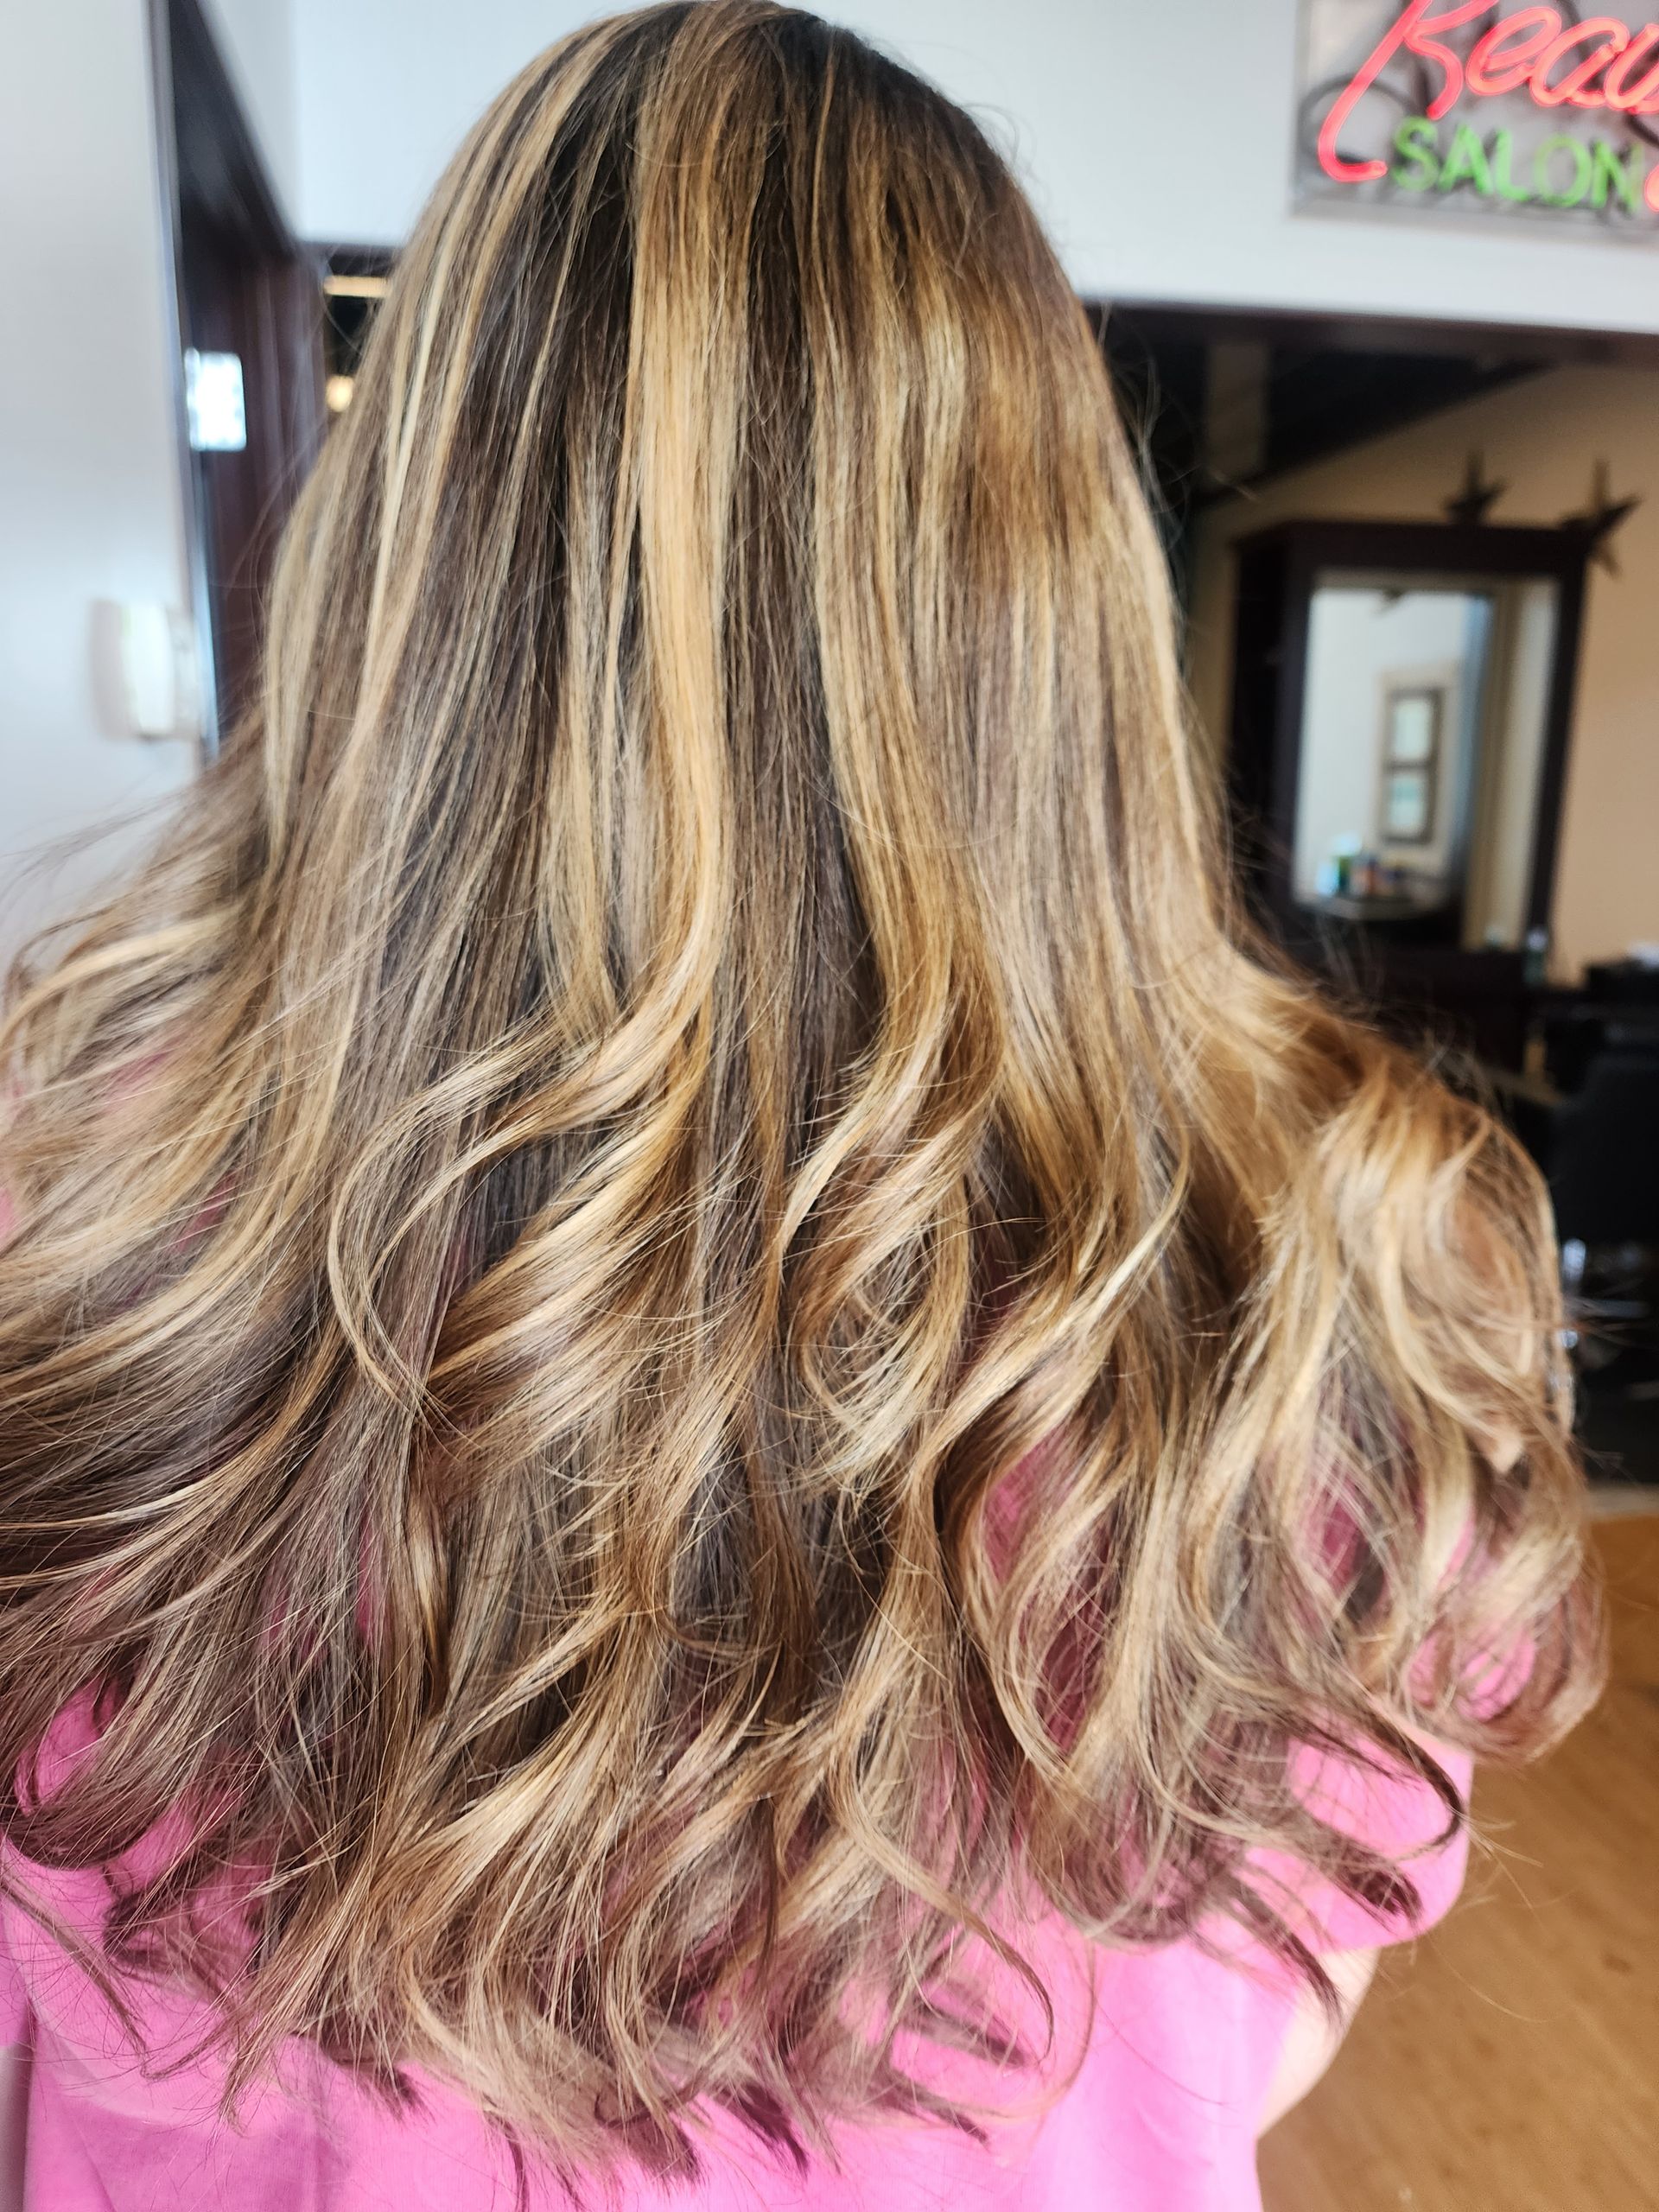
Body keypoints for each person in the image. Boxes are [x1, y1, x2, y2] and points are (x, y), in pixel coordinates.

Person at [0, 6, 1598, 2207]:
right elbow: (1260, 2018)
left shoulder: (76, 1229)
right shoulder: (1339, 1260)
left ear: (406, 548)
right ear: (1061, 592)